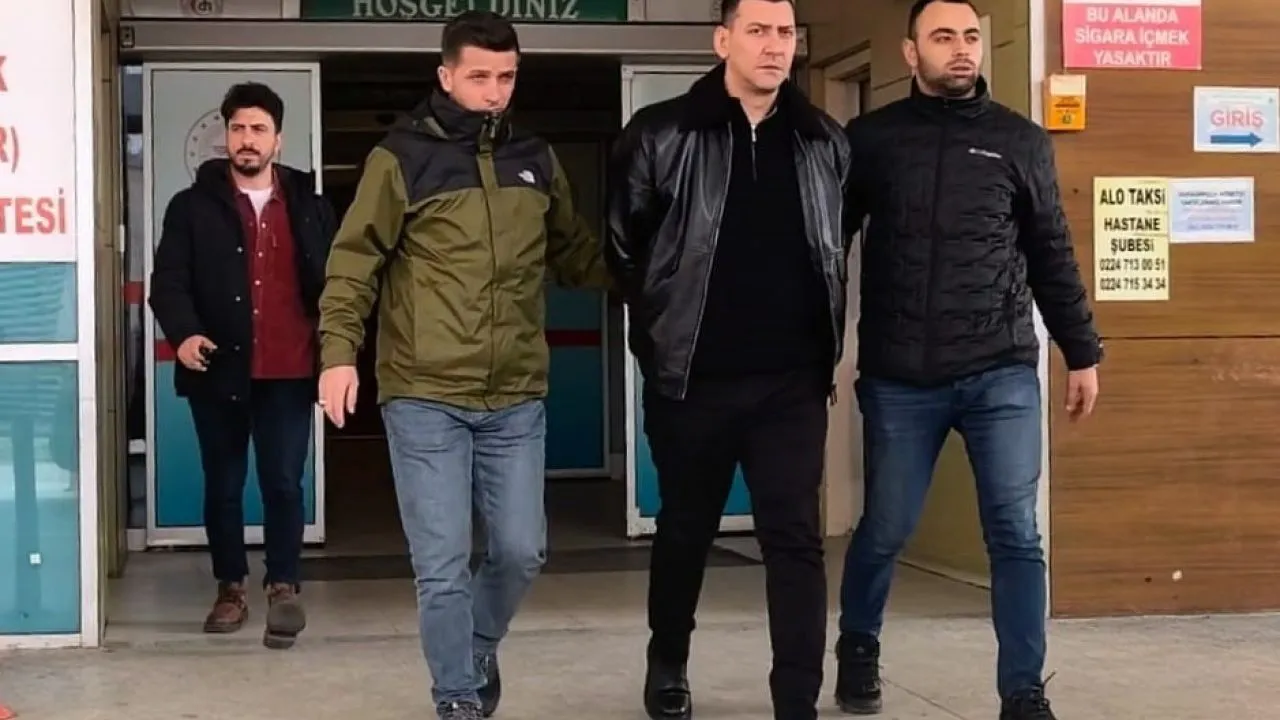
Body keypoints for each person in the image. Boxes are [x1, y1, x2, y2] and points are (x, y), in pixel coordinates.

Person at [315, 11, 611, 720]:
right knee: (442, 563)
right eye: (479, 76)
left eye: (507, 77)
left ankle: (476, 646)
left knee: (521, 551)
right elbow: (354, 262)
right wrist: (337, 355)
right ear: (446, 75)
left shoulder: (536, 158)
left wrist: (660, 279)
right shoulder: (401, 158)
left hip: (515, 393)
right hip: (424, 393)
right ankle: (456, 696)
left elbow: (574, 253)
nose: (494, 91)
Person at [833, 2, 1103, 719]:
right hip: (900, 376)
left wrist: (1081, 351)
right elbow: (827, 248)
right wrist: (815, 350)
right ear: (910, 52)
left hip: (1000, 369)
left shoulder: (1020, 141)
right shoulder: (871, 140)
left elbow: (1051, 251)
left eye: (972, 36)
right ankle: (858, 645)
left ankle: (1023, 691)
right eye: (943, 36)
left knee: (1015, 532)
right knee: (886, 526)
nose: (961, 49)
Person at [606, 1, 850, 719]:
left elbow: (833, 246)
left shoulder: (824, 140)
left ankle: (797, 698)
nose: (775, 46)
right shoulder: (661, 133)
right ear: (723, 40)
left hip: (792, 382)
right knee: (686, 530)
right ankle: (668, 661)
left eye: (785, 33)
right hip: (694, 381)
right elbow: (622, 249)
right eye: (758, 31)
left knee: (795, 540)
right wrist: (660, 339)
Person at [148, 82, 335, 650]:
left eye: (258, 129)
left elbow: (337, 285)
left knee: (283, 482)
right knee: (224, 485)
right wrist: (184, 334)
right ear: (225, 136)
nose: (247, 139)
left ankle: (283, 586)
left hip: (290, 368)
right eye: (237, 128)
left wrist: (337, 355)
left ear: (279, 139)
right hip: (218, 369)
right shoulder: (190, 207)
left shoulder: (312, 207)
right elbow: (168, 282)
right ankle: (230, 587)